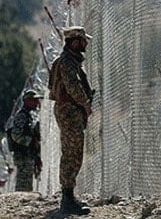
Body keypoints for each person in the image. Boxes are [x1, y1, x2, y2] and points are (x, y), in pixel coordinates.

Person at [48, 26, 94, 216]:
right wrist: (85, 104)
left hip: (69, 111)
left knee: (73, 151)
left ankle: (69, 196)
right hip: (69, 111)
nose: (85, 44)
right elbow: (73, 87)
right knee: (71, 152)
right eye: (83, 40)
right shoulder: (67, 63)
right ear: (75, 42)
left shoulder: (68, 61)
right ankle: (67, 200)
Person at [7, 89, 43, 192]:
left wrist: (37, 156)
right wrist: (30, 141)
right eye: (34, 100)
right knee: (23, 186)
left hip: (28, 155)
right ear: (27, 101)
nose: (37, 103)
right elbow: (15, 135)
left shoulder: (29, 116)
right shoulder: (21, 116)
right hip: (23, 155)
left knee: (27, 185)